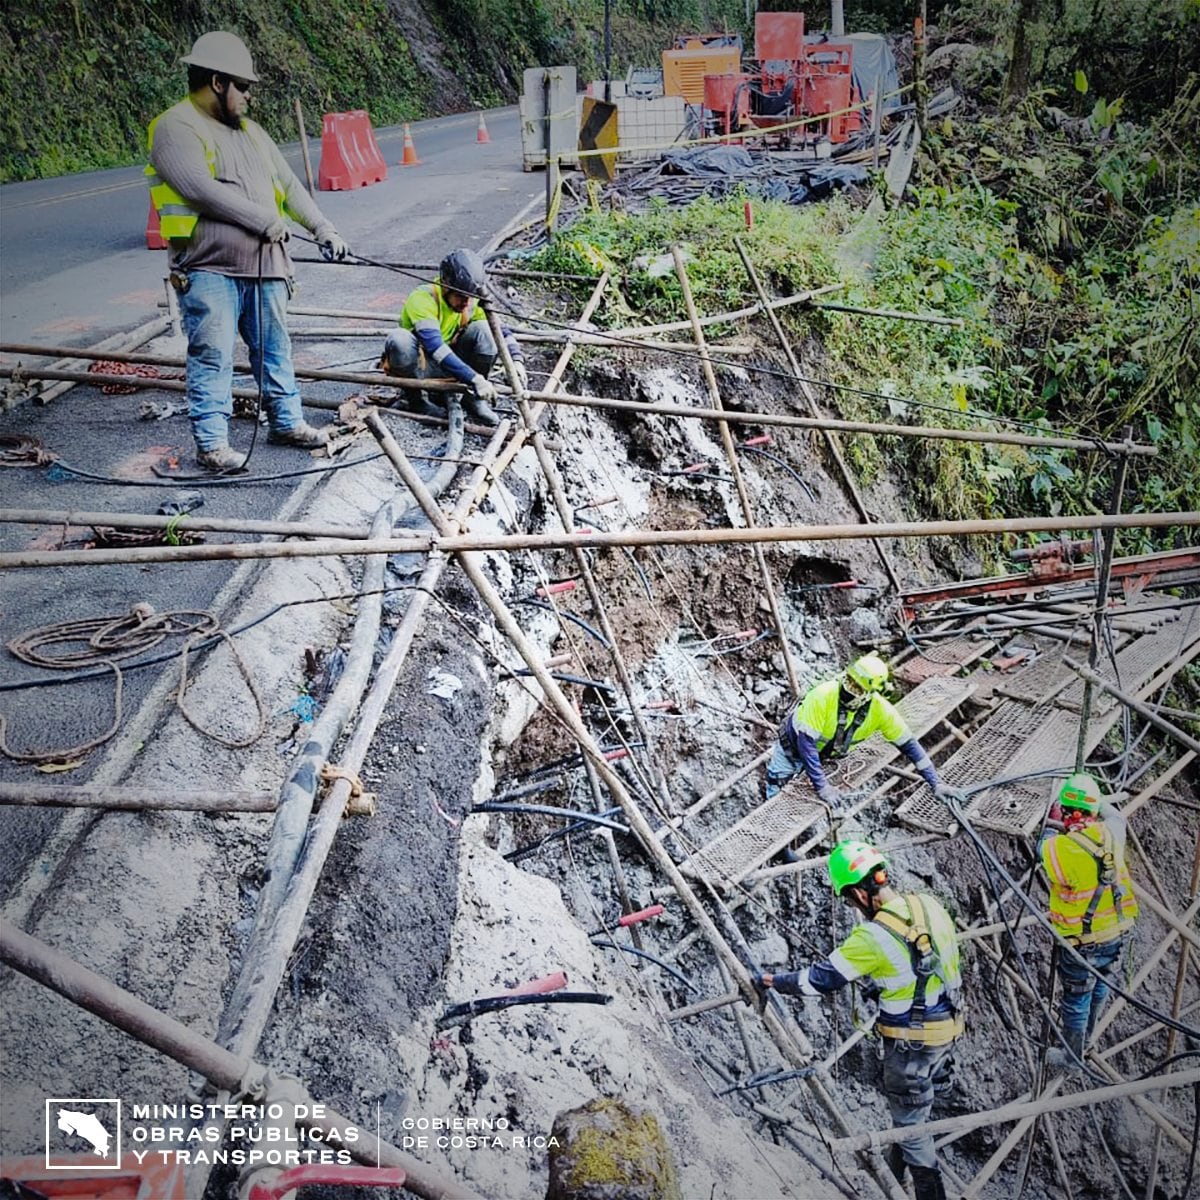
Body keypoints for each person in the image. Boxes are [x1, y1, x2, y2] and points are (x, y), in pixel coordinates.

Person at [146, 31, 348, 472]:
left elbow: (289, 185)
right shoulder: (175, 126)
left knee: (275, 349)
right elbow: (197, 189)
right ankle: (213, 444)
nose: (249, 96)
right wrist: (263, 220)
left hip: (267, 266)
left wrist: (322, 226)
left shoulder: (253, 133)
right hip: (208, 267)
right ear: (218, 82)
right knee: (213, 353)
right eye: (244, 87)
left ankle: (287, 421)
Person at [757, 840, 964, 1200]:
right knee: (910, 1112)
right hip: (949, 1027)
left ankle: (931, 1196)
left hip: (913, 1044)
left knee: (911, 1125)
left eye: (849, 899)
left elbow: (818, 980)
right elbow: (931, 966)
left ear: (859, 893)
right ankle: (895, 1176)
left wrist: (775, 981)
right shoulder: (927, 904)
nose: (852, 906)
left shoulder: (872, 936)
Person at [766, 653, 955, 815]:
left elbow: (909, 746)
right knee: (777, 790)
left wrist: (935, 782)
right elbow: (806, 745)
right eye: (849, 682)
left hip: (828, 756)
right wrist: (822, 786)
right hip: (792, 747)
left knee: (806, 800)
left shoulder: (881, 710)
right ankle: (780, 847)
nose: (849, 690)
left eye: (857, 688)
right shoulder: (824, 695)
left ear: (870, 693)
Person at [1040, 772, 1138, 1068]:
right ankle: (1088, 1038)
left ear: (1071, 814)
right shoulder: (1112, 832)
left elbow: (1042, 844)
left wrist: (1052, 813)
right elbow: (1115, 815)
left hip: (1084, 943)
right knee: (1102, 982)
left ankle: (1072, 1058)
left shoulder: (1060, 848)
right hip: (1119, 931)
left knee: (1076, 999)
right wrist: (1095, 801)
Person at [379, 249, 526, 428]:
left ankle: (473, 400)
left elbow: (500, 330)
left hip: (453, 364)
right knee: (399, 340)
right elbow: (436, 348)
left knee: (484, 330)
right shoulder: (423, 298)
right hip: (422, 366)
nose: (466, 303)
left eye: (470, 298)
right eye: (461, 297)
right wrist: (475, 379)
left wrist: (516, 360)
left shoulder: (470, 300)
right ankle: (416, 401)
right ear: (445, 285)